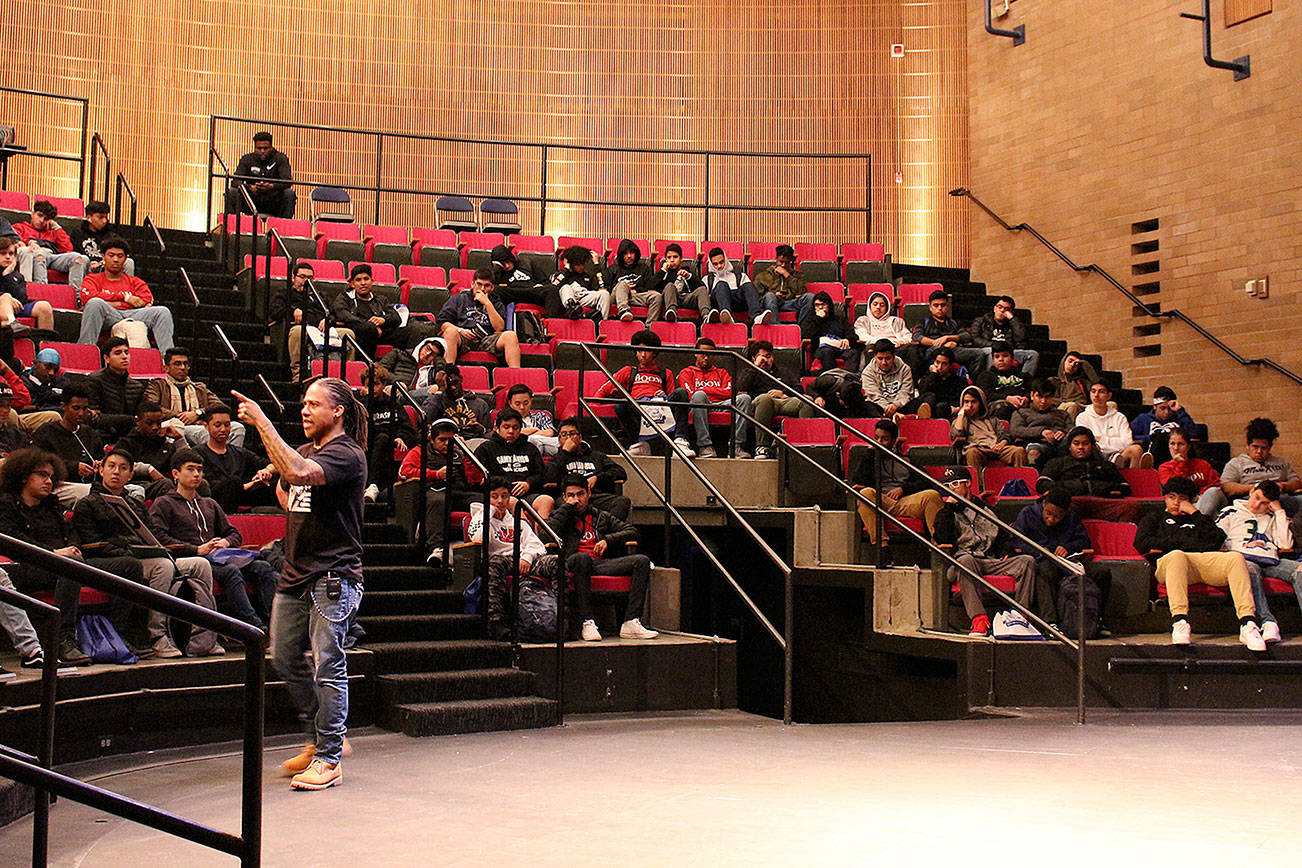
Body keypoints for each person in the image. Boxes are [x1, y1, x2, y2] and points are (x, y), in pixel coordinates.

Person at [233, 378, 368, 791]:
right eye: (303, 404)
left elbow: (296, 471)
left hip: (333, 574)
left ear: (337, 412)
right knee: (284, 658)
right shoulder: (310, 451)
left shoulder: (348, 453)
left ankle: (328, 758)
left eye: (313, 405)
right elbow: (292, 490)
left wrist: (261, 424)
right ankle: (323, 738)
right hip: (295, 573)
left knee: (329, 662)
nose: (305, 411)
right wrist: (280, 477)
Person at [72, 448, 222, 658]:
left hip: (145, 556)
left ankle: (203, 637)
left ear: (131, 475)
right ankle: (158, 635)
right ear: (101, 470)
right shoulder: (87, 504)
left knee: (200, 563)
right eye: (111, 467)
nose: (117, 472)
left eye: (123, 468)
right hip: (113, 560)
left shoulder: (134, 503)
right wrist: (129, 550)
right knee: (163, 566)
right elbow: (91, 543)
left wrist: (153, 547)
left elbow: (152, 534)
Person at [0, 447, 143, 664]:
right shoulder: (6, 504)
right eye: (41, 475)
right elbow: (12, 540)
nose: (48, 481)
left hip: (68, 560)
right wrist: (53, 553)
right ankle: (62, 639)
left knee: (130, 566)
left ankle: (117, 633)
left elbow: (71, 532)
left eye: (51, 476)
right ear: (22, 476)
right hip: (29, 564)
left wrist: (74, 547)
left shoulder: (51, 504)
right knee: (69, 568)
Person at [148, 449, 279, 630]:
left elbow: (234, 533)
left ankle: (274, 625)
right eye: (191, 469)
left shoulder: (209, 503)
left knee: (263, 568)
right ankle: (255, 628)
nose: (196, 474)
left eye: (200, 470)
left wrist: (226, 542)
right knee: (231, 571)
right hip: (191, 559)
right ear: (175, 474)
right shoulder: (164, 503)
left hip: (218, 556)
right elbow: (159, 538)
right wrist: (196, 550)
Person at [1136, 476, 1263, 650]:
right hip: (1169, 565)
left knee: (1235, 558)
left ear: (1191, 500)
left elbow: (1217, 539)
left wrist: (1194, 513)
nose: (1176, 502)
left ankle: (1248, 623)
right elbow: (1142, 543)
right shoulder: (1154, 517)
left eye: (1182, 498)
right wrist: (1184, 543)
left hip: (1200, 562)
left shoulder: (1198, 519)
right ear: (1165, 497)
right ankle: (1180, 621)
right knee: (1177, 555)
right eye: (1171, 497)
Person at [548, 474, 659, 642]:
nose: (576, 499)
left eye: (580, 494)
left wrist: (608, 540)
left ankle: (630, 622)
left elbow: (632, 531)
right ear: (564, 497)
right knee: (582, 558)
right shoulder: (560, 516)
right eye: (571, 495)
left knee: (641, 561)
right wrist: (565, 510)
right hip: (571, 562)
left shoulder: (600, 516)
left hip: (598, 563)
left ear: (588, 494)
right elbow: (544, 536)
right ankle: (588, 622)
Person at [934, 465, 1038, 637]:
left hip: (988, 560)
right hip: (961, 563)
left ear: (968, 483)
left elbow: (1004, 535)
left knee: (1027, 561)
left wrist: (1007, 549)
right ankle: (979, 620)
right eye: (947, 486)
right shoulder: (945, 512)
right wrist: (948, 510)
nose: (950, 489)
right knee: (966, 560)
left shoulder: (986, 510)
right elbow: (942, 538)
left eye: (954, 484)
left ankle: (1021, 617)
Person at [467, 477, 559, 641]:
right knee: (494, 562)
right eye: (494, 496)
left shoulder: (518, 521)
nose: (500, 501)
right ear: (487, 497)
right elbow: (478, 538)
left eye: (504, 496)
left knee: (556, 561)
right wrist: (490, 513)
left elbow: (538, 546)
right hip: (500, 561)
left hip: (523, 560)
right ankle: (496, 622)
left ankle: (561, 619)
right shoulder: (479, 517)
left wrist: (527, 558)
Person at [1012, 487, 1112, 631]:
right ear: (1044, 505)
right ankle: (1050, 622)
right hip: (1042, 559)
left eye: (1057, 516)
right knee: (1044, 570)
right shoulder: (1028, 514)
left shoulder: (1072, 518)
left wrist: (1067, 547)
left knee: (1102, 572)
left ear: (1065, 513)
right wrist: (1038, 550)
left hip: (1068, 562)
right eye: (1048, 513)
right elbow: (1016, 541)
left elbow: (1084, 541)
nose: (1051, 519)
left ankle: (1097, 620)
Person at [1218, 481, 1298, 645]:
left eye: (1265, 503)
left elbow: (1285, 545)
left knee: (1301, 570)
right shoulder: (1230, 511)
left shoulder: (1272, 517)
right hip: (1243, 559)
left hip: (1271, 560)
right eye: (1257, 498)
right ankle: (1267, 622)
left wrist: (1280, 512)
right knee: (1249, 570)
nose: (1257, 505)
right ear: (1252, 490)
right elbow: (1215, 539)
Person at [851, 418, 943, 545]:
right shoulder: (868, 458)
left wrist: (903, 489)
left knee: (932, 495)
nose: (879, 442)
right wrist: (870, 454)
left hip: (905, 501)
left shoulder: (905, 460)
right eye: (876, 438)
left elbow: (926, 481)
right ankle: (882, 547)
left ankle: (939, 547)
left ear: (893, 441)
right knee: (865, 493)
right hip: (880, 500)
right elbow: (858, 480)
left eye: (884, 439)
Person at [397, 417, 473, 568]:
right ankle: (436, 549)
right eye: (442, 440)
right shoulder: (420, 451)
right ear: (432, 439)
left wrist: (467, 453)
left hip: (459, 492)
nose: (447, 444)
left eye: (450, 440)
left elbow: (475, 478)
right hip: (433, 490)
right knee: (438, 501)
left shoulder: (461, 452)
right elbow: (404, 472)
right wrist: (435, 474)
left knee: (486, 501)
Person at [78, 239, 176, 351]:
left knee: (162, 311)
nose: (115, 259)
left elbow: (145, 300)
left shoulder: (135, 281)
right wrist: (126, 298)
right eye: (111, 255)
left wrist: (112, 303)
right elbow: (88, 297)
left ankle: (168, 359)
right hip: (108, 315)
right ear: (103, 257)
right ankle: (85, 350)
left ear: (125, 259)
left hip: (132, 314)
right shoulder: (92, 278)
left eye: (120, 256)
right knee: (95, 303)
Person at [595, 329, 679, 456]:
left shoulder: (666, 373)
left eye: (647, 351)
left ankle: (679, 442)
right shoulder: (627, 371)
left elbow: (673, 399)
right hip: (637, 408)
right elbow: (600, 393)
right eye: (639, 351)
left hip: (660, 408)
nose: (643, 355)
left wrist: (664, 396)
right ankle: (639, 443)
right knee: (620, 405)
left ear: (655, 353)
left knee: (681, 393)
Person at [143, 347, 248, 447]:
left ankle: (232, 461)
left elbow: (220, 406)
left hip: (198, 425)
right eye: (177, 364)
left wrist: (197, 413)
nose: (183, 367)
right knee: (205, 432)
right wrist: (184, 417)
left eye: (185, 364)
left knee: (238, 428)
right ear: (166, 367)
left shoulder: (198, 387)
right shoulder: (157, 385)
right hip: (173, 424)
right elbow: (152, 407)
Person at [271, 261, 356, 381]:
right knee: (297, 331)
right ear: (293, 277)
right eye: (302, 277)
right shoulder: (284, 293)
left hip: (322, 330)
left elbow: (333, 313)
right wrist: (292, 311)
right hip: (302, 327)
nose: (306, 280)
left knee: (348, 334)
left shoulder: (320, 296)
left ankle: (346, 375)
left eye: (310, 277)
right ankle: (297, 373)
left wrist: (328, 320)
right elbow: (275, 312)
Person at [1207, 417, 1302, 517]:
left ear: (1270, 447)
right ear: (1248, 445)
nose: (1259, 452)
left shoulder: (1281, 462)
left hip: (1279, 499)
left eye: (1263, 448)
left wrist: (1282, 486)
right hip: (1250, 499)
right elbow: (1226, 487)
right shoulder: (1237, 463)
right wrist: (1256, 487)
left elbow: (1297, 483)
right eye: (1255, 447)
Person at [543, 418, 631, 519]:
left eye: (572, 434)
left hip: (594, 496)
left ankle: (605, 532)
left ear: (580, 437)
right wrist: (565, 452)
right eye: (564, 435)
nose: (568, 438)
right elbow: (549, 477)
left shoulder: (597, 456)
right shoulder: (557, 459)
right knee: (562, 507)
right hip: (569, 498)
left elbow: (620, 472)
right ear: (559, 440)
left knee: (622, 502)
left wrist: (597, 478)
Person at [738, 339, 811, 459]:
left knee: (806, 401)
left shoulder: (783, 371)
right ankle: (762, 446)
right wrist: (755, 367)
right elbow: (741, 389)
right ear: (754, 358)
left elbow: (799, 390)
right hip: (759, 402)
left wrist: (782, 392)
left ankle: (802, 444)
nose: (766, 360)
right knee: (765, 398)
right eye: (762, 357)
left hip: (782, 401)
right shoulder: (749, 371)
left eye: (768, 356)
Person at [474, 408, 553, 518]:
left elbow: (540, 474)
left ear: (520, 429)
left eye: (515, 428)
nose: (511, 431)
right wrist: (506, 486)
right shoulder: (486, 449)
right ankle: (524, 533)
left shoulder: (530, 448)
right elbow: (480, 479)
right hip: (501, 496)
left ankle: (543, 535)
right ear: (497, 428)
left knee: (546, 500)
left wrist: (528, 483)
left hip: (527, 493)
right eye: (506, 427)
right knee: (512, 502)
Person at [31, 383, 102, 504]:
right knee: (89, 493)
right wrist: (74, 467)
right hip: (57, 485)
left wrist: (100, 466)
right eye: (76, 408)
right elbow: (38, 463)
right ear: (63, 406)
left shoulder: (91, 434)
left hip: (89, 484)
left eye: (84, 409)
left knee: (134, 490)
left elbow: (100, 458)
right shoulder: (46, 432)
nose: (81, 413)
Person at [435, 268, 522, 367]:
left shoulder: (496, 303)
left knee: (511, 336)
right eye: (479, 284)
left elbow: (499, 328)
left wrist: (487, 303)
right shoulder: (459, 299)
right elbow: (442, 323)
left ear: (492, 288)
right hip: (463, 336)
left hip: (486, 338)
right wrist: (460, 330)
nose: (482, 289)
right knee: (450, 332)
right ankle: (449, 373)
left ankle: (515, 376)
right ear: (472, 284)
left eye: (486, 286)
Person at [197, 405, 277, 513]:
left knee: (276, 483)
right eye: (217, 425)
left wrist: (266, 471)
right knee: (233, 482)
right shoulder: (198, 453)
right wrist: (243, 486)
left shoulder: (239, 452)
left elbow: (274, 464)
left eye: (227, 425)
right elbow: (209, 485)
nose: (223, 429)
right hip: (215, 498)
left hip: (243, 495)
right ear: (207, 426)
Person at [358, 366, 416, 503]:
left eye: (377, 384)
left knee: (384, 438)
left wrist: (400, 437)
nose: (374, 389)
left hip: (390, 442)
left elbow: (408, 428)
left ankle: (373, 486)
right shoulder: (362, 405)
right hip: (370, 442)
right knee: (378, 438)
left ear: (384, 385)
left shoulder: (393, 404)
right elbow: (362, 429)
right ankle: (369, 485)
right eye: (369, 385)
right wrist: (367, 401)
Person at [673, 337, 738, 459]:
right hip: (698, 406)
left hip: (721, 405)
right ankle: (705, 446)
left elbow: (730, 393)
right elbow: (690, 394)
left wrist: (705, 390)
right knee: (699, 396)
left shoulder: (722, 372)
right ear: (696, 354)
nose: (706, 357)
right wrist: (714, 392)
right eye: (703, 354)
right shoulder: (686, 372)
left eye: (710, 354)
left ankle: (737, 447)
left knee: (743, 399)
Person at [331, 264, 402, 359]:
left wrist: (383, 320)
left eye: (366, 279)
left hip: (381, 333)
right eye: (358, 280)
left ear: (372, 281)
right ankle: (367, 367)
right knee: (367, 329)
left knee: (413, 330)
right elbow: (343, 315)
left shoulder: (381, 299)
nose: (363, 283)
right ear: (352, 284)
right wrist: (371, 326)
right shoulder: (344, 298)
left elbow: (396, 317)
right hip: (359, 333)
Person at [113, 401, 181, 499]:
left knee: (200, 483)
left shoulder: (165, 444)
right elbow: (118, 465)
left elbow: (185, 463)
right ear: (137, 421)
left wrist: (179, 439)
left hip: (160, 484)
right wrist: (148, 469)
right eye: (149, 423)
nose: (155, 427)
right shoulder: (126, 443)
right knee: (165, 484)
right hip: (134, 485)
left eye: (158, 423)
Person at [907, 290, 984, 376]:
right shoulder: (924, 321)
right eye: (936, 305)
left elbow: (967, 336)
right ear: (930, 307)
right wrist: (938, 344)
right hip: (931, 350)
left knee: (979, 353)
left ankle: (971, 382)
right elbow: (917, 336)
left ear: (947, 307)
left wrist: (948, 338)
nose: (940, 308)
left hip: (953, 351)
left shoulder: (954, 322)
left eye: (943, 305)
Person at [13, 200, 87, 287]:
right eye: (39, 215)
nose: (41, 220)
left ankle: (76, 296)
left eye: (46, 219)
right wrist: (29, 242)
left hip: (52, 257)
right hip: (34, 256)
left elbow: (67, 248)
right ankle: (41, 291)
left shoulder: (53, 232)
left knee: (78, 257)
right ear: (32, 214)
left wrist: (57, 227)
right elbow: (14, 240)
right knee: (40, 254)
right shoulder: (20, 227)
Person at [1040, 427, 1131, 498]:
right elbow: (1042, 484)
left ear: (1092, 446)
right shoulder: (1057, 463)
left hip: (1102, 502)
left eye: (1085, 443)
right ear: (1069, 446)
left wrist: (1098, 487)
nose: (1081, 447)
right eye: (1076, 443)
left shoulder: (1106, 465)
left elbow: (1125, 487)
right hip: (1070, 502)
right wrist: (1071, 487)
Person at [951, 385, 1026, 470]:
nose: (970, 405)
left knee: (1019, 451)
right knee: (972, 453)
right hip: (978, 449)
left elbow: (1005, 434)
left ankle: (1019, 482)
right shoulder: (961, 421)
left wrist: (1001, 444)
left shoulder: (992, 420)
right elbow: (956, 435)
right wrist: (961, 414)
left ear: (981, 403)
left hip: (997, 447)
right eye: (966, 402)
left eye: (973, 402)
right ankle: (978, 483)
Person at [85, 336, 145, 440]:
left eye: (126, 352)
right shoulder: (94, 380)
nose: (124, 356)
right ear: (106, 358)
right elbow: (93, 417)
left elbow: (141, 417)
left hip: (132, 435)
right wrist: (131, 420)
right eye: (118, 353)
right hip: (102, 435)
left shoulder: (137, 386)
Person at [1075, 381, 1146, 469]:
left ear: (1109, 396)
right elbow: (1087, 444)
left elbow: (1127, 442)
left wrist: (1102, 439)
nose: (1096, 395)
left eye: (1101, 392)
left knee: (1136, 449)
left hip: (1120, 454)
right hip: (1096, 456)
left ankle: (1132, 480)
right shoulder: (1082, 417)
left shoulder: (1119, 417)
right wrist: (1115, 443)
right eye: (1093, 391)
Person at [225, 131, 297, 218]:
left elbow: (287, 182)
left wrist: (271, 186)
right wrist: (250, 188)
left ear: (271, 147)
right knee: (231, 192)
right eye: (259, 148)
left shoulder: (281, 159)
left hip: (273, 202)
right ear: (254, 147)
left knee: (289, 194)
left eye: (265, 148)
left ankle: (284, 228)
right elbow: (235, 182)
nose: (262, 151)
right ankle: (231, 227)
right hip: (251, 201)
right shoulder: (247, 159)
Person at [66, 200, 136, 285]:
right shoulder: (78, 233)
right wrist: (92, 263)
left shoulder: (111, 235)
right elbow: (76, 253)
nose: (104, 221)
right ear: (89, 218)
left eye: (106, 217)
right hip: (87, 265)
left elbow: (122, 251)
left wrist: (103, 262)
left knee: (129, 262)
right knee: (80, 260)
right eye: (100, 217)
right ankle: (77, 296)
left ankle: (126, 290)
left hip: (106, 265)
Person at [969, 295, 1039, 375]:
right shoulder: (981, 321)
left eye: (1006, 309)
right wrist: (994, 345)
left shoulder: (1013, 324)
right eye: (1000, 307)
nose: (1002, 310)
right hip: (987, 349)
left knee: (1032, 355)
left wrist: (1012, 319)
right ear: (995, 309)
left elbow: (1021, 337)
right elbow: (975, 338)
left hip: (1007, 351)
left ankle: (1023, 382)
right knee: (992, 352)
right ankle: (992, 380)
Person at [1008, 379, 1072, 467]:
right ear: (1032, 395)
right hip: (1036, 444)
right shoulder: (1021, 413)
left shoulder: (1062, 414)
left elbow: (1071, 428)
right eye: (1039, 396)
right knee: (1034, 451)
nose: (1043, 401)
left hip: (1061, 444)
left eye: (1047, 397)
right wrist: (1041, 432)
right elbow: (1016, 430)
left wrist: (1063, 432)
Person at [861, 339, 929, 419]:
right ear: (875, 356)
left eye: (887, 358)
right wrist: (888, 408)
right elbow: (874, 396)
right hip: (880, 408)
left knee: (928, 397)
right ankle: (891, 419)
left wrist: (895, 405)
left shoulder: (905, 369)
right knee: (866, 405)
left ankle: (897, 417)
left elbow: (906, 393)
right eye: (880, 358)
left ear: (894, 356)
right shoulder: (868, 372)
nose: (884, 362)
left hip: (901, 406)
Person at [1159, 428, 1222, 515]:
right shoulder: (1164, 468)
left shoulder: (1202, 464)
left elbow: (1215, 485)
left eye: (1181, 444)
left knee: (1213, 493)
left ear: (1188, 447)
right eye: (1172, 444)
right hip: (1181, 504)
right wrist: (1180, 465)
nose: (1176, 448)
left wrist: (1200, 495)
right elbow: (1175, 489)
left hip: (1205, 500)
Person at [1129, 386, 1196, 466]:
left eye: (1170, 408)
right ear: (1154, 406)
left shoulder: (1179, 418)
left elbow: (1194, 433)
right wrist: (1149, 437)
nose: (1166, 412)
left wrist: (1180, 410)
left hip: (1174, 454)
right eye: (1162, 408)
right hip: (1152, 450)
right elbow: (1130, 437)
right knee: (1158, 438)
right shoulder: (1143, 419)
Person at [0, 236, 54, 331]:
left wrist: (7, 276)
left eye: (11, 254)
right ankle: (12, 324)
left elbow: (22, 298)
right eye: (3, 253)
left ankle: (44, 342)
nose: (8, 257)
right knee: (5, 296)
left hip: (17, 307)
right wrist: (7, 298)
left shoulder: (17, 275)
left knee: (44, 306)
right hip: (2, 307)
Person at [422, 368, 491, 441]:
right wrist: (440, 390)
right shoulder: (438, 401)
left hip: (473, 442)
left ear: (461, 379)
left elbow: (488, 432)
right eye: (449, 385)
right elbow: (424, 419)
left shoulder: (480, 404)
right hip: (448, 443)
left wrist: (481, 429)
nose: (453, 387)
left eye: (455, 382)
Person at [489, 245, 557, 315]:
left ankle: (551, 320)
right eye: (503, 264)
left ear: (511, 258)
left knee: (552, 289)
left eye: (507, 261)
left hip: (531, 291)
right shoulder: (499, 271)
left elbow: (545, 280)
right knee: (494, 290)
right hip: (512, 293)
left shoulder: (527, 262)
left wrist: (540, 285)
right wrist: (497, 268)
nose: (507, 266)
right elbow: (491, 284)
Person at [801, 290, 858, 372]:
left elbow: (852, 335)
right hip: (821, 349)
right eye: (817, 305)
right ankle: (833, 377)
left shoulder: (839, 319)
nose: (820, 307)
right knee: (826, 351)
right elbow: (806, 336)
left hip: (839, 348)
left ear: (829, 306)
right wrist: (818, 319)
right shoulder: (811, 320)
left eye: (823, 304)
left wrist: (847, 339)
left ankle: (849, 379)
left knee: (854, 353)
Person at [704, 247, 765, 325]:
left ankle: (756, 317)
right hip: (718, 303)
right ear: (711, 264)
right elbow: (705, 299)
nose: (719, 266)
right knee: (722, 284)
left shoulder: (740, 276)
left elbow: (750, 294)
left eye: (721, 262)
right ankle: (727, 316)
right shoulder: (707, 279)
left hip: (737, 301)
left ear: (726, 261)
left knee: (748, 285)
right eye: (715, 264)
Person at [973, 341, 1029, 420]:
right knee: (1002, 407)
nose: (1001, 359)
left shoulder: (1024, 376)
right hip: (997, 407)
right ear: (993, 359)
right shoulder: (985, 376)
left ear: (1012, 358)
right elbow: (986, 396)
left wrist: (1026, 398)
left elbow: (1032, 390)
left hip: (1022, 406)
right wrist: (1007, 398)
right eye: (997, 356)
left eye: (1005, 356)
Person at [755, 244, 811, 325]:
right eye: (781, 262)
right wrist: (774, 295)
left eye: (787, 262)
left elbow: (801, 291)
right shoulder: (764, 275)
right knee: (770, 296)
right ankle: (777, 328)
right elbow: (757, 297)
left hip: (791, 302)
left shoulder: (798, 275)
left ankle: (802, 330)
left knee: (809, 297)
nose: (783, 265)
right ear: (776, 259)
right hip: (772, 303)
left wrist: (786, 274)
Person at [654, 243, 710, 322]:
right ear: (666, 260)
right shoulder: (663, 272)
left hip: (687, 298)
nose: (672, 260)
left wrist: (688, 277)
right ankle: (671, 313)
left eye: (675, 257)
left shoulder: (688, 270)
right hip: (669, 299)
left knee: (702, 289)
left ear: (681, 259)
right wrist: (663, 271)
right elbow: (651, 286)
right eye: (669, 257)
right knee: (670, 286)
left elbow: (702, 288)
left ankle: (706, 317)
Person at [550, 245, 610, 318]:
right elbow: (553, 286)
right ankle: (573, 309)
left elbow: (601, 286)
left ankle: (601, 322)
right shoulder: (561, 274)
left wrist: (596, 264)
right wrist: (566, 268)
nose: (582, 267)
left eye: (583, 264)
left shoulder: (586, 276)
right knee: (566, 287)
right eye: (578, 265)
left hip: (583, 295)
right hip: (568, 297)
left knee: (605, 294)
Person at [607, 239, 657, 322]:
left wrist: (636, 290)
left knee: (657, 296)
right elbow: (606, 287)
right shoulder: (614, 268)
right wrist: (624, 288)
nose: (629, 256)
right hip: (618, 297)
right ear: (621, 255)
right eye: (625, 253)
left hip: (636, 296)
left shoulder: (644, 268)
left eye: (631, 253)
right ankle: (624, 311)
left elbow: (648, 286)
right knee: (623, 284)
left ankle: (649, 326)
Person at [18, 347, 69, 427]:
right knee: (54, 416)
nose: (51, 373)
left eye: (55, 370)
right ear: (35, 364)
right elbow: (25, 408)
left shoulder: (61, 383)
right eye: (48, 367)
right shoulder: (22, 382)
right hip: (29, 419)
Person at [915, 347, 968, 420]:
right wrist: (933, 374)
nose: (940, 367)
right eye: (937, 362)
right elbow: (923, 393)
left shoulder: (959, 381)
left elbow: (961, 402)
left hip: (947, 412)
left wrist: (956, 409)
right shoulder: (928, 378)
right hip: (931, 411)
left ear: (950, 365)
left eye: (944, 364)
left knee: (942, 407)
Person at [505, 384, 558, 456]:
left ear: (531, 401)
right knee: (532, 441)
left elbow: (549, 433)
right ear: (510, 403)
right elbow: (506, 435)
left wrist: (526, 434)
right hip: (519, 450)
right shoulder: (505, 418)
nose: (522, 407)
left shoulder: (541, 416)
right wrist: (535, 430)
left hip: (546, 445)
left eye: (526, 403)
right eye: (517, 404)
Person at [1053, 351, 1101, 419]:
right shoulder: (1054, 381)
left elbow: (1098, 386)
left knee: (1111, 405)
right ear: (1063, 362)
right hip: (1064, 407)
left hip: (1083, 406)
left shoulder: (1082, 382)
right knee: (1073, 406)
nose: (1072, 365)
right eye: (1070, 361)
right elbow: (1050, 400)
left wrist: (1086, 366)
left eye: (1076, 364)